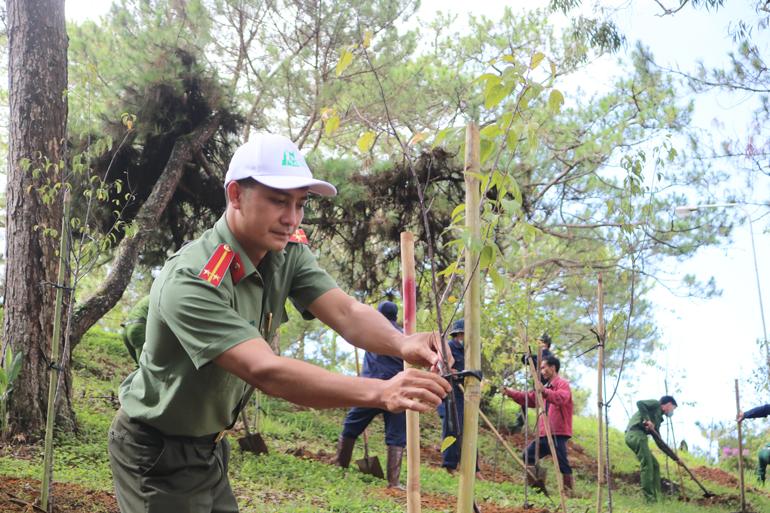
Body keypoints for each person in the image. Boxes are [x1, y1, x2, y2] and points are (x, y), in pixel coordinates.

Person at [107, 133, 451, 513]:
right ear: (236, 195)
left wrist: (402, 343)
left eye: (300, 204)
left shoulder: (285, 251)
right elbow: (266, 371)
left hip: (208, 449)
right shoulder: (192, 279)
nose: (291, 218)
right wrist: (381, 392)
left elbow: (346, 312)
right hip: (156, 452)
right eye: (277, 201)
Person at [335, 300, 407, 489]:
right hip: (396, 391)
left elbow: (355, 334)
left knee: (351, 427)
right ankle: (394, 482)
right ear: (396, 316)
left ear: (379, 315)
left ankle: (340, 466)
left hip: (370, 388)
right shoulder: (403, 336)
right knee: (397, 436)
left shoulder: (372, 330)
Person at [504, 355, 574, 492]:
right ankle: (537, 486)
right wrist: (511, 393)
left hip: (557, 432)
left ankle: (568, 491)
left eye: (543, 367)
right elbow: (530, 399)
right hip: (544, 432)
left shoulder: (562, 384)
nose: (541, 371)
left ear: (553, 368)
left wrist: (545, 392)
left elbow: (562, 397)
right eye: (541, 368)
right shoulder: (544, 387)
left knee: (562, 463)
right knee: (528, 455)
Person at [624, 395, 678, 503]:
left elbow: (660, 442)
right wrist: (647, 420)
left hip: (639, 437)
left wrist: (676, 458)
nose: (672, 411)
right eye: (673, 408)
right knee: (647, 464)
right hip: (635, 434)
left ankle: (656, 496)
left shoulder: (658, 420)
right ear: (667, 405)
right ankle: (649, 499)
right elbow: (640, 403)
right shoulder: (656, 404)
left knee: (655, 465)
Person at [121, 295, 150, 366]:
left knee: (139, 366)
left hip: (126, 329)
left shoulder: (146, 298)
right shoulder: (161, 297)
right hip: (138, 329)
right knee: (145, 367)